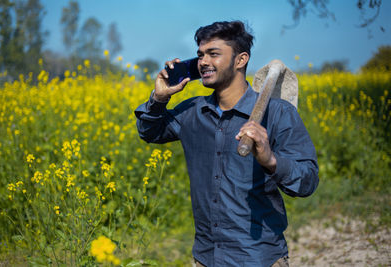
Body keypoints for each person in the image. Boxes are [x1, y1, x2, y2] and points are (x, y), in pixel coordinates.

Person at [135, 21, 319, 267]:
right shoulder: (192, 112)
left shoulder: (276, 113)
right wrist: (159, 99)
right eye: (200, 55)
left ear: (241, 60)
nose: (203, 62)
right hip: (206, 257)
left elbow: (307, 181)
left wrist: (270, 161)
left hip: (259, 257)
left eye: (214, 54)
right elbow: (150, 132)